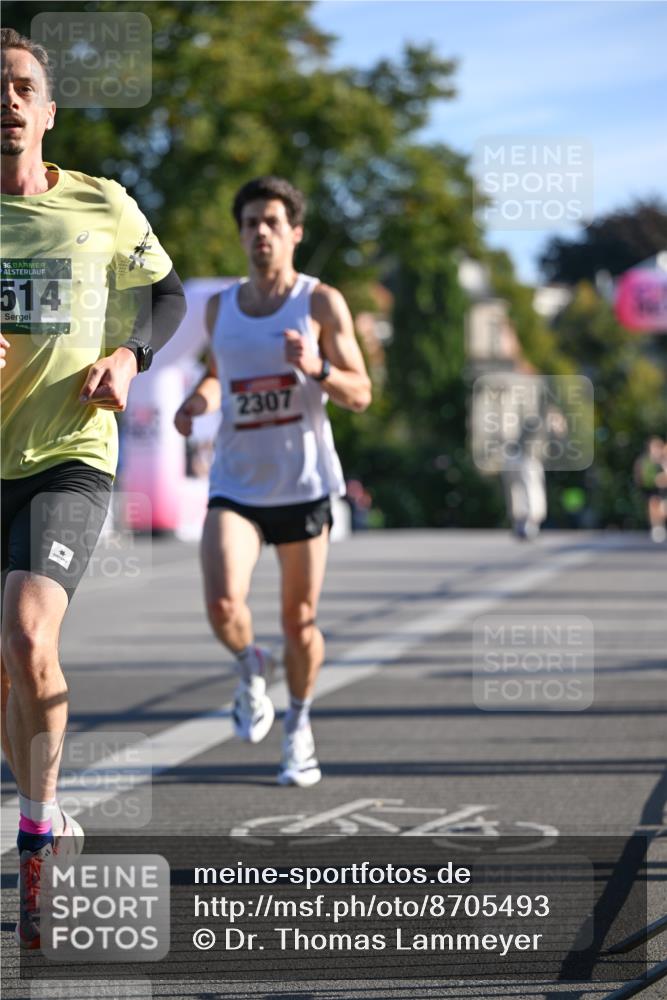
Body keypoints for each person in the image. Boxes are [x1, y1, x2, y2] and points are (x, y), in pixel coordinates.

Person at [1, 28, 186, 949]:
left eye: (23, 86)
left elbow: (167, 294)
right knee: (6, 665)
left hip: (69, 454)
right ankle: (51, 816)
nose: (8, 101)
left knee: (30, 634)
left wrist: (127, 352)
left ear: (48, 109)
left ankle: (36, 830)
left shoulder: (101, 205)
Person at [174, 176, 371, 787]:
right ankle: (248, 663)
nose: (259, 232)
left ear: (295, 233)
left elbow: (361, 392)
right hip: (237, 482)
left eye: (271, 222)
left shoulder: (319, 303)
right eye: (250, 223)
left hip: (303, 485)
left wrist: (316, 367)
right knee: (223, 601)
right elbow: (218, 375)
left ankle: (299, 727)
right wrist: (196, 402)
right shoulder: (220, 307)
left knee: (299, 622)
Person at [634, 436, 667, 543]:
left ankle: (659, 525)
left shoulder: (664, 460)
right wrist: (657, 480)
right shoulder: (646, 461)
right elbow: (645, 479)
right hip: (651, 490)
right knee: (654, 503)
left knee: (663, 509)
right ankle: (657, 527)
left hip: (663, 490)